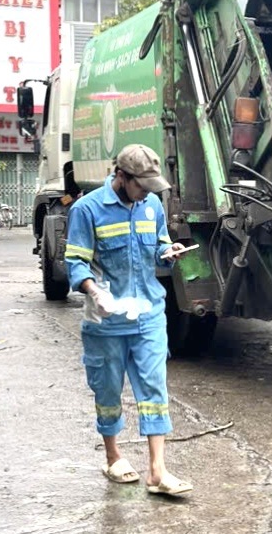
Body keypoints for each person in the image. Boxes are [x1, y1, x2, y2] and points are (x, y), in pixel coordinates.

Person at [64, 144, 194, 497]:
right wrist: (94, 292)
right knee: (107, 390)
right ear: (120, 177)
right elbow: (75, 262)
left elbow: (158, 248)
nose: (147, 194)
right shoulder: (87, 210)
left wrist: (168, 254)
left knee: (154, 389)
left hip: (148, 314)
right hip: (105, 319)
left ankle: (157, 470)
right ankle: (113, 456)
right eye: (141, 186)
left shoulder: (151, 204)